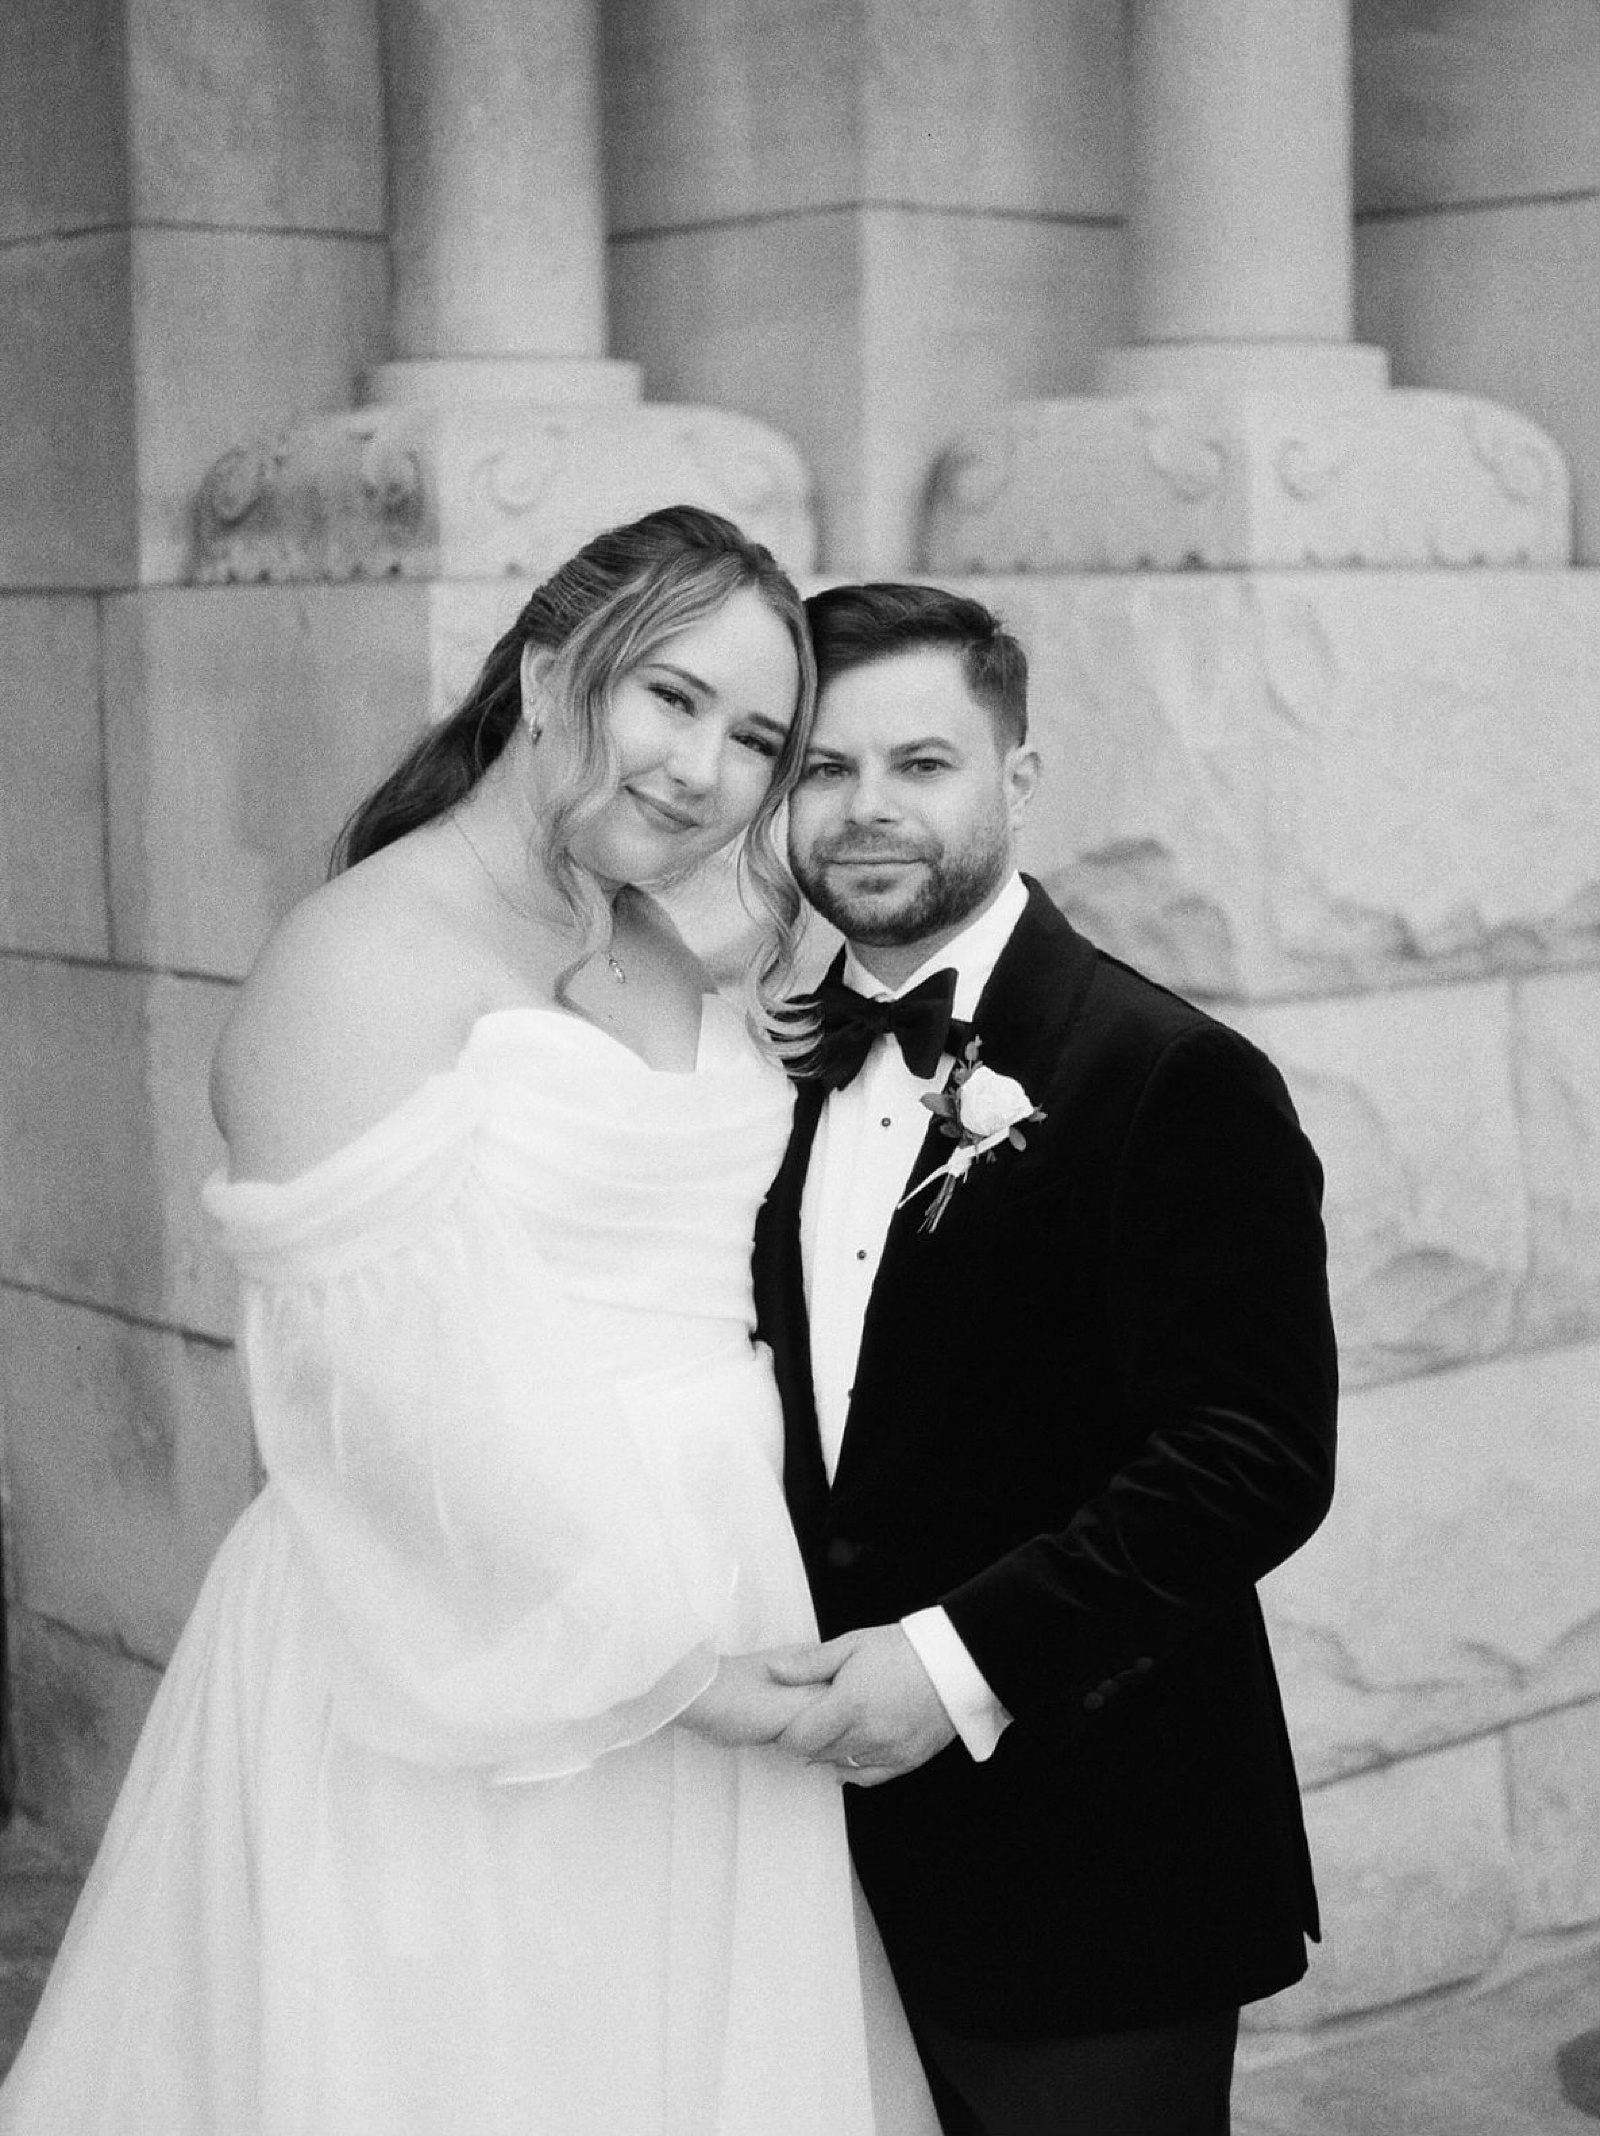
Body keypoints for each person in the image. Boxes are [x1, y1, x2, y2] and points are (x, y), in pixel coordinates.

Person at [0, 509, 938, 2136]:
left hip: (716, 1612)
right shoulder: (364, 954)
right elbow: (379, 1393)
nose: (705, 767)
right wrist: (674, 1670)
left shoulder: (648, 931)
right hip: (458, 1642)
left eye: (757, 739)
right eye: (670, 696)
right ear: (551, 666)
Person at [752, 583, 1339, 2136]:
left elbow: (1252, 1456)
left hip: (1097, 1868)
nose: (867, 809)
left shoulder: (1173, 1076)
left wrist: (952, 1669)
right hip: (810, 1868)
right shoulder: (755, 1075)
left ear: (1016, 777)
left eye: (921, 763)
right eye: (822, 766)